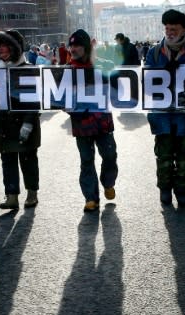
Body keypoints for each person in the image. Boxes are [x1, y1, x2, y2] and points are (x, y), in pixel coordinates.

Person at [144, 8, 185, 207]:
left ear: (184, 30)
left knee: (184, 158)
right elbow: (145, 84)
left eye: (174, 29)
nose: (170, 32)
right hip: (162, 115)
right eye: (167, 28)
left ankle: (182, 191)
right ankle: (164, 189)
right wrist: (160, 75)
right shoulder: (155, 52)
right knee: (163, 156)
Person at [0, 30, 40, 210]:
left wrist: (28, 123)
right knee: (7, 159)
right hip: (4, 123)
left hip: (24, 121)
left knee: (28, 159)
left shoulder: (29, 69)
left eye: (6, 47)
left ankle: (32, 193)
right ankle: (11, 196)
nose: (2, 51)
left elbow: (35, 100)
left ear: (15, 49)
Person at [66, 29, 118, 212]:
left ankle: (108, 183)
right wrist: (66, 106)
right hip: (82, 125)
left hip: (103, 123)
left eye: (78, 45)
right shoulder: (68, 71)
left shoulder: (104, 66)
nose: (73, 49)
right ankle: (91, 198)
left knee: (110, 156)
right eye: (71, 45)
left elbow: (119, 84)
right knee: (86, 161)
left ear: (86, 47)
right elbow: (59, 97)